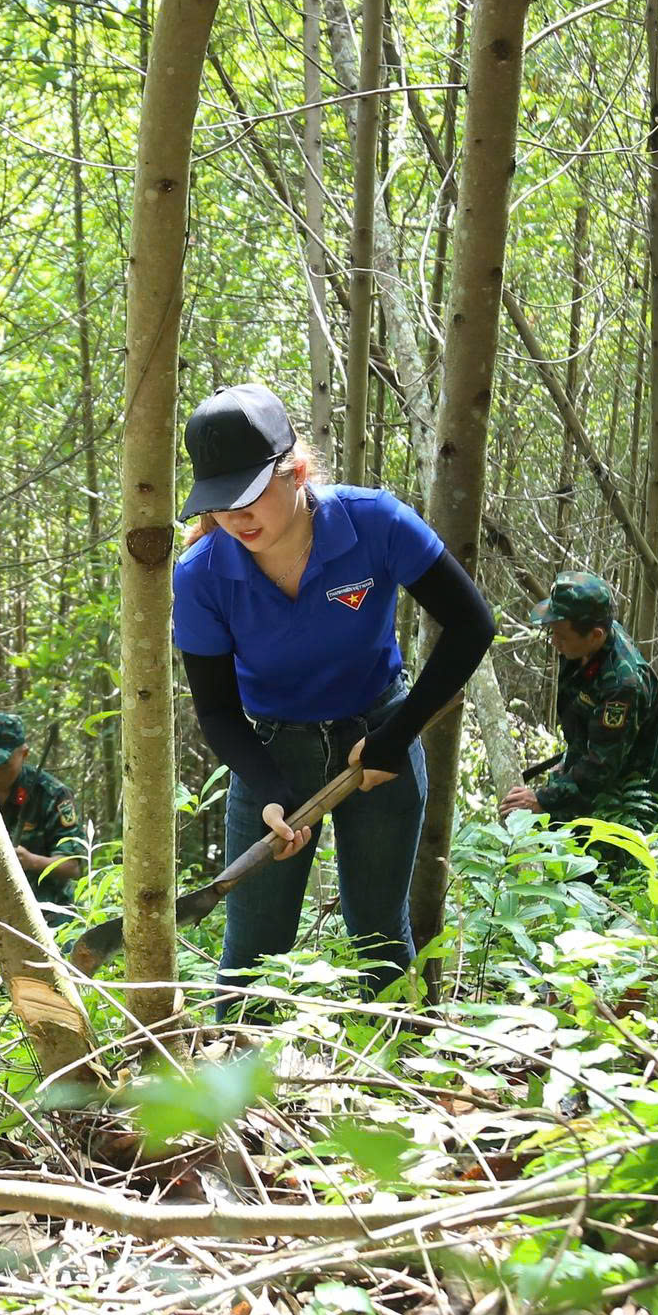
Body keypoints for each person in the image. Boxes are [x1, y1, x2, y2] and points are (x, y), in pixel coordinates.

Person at [172, 384, 497, 993]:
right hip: (270, 750)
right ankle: (236, 1081)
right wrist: (269, 790)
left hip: (378, 731)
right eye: (218, 503)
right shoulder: (202, 575)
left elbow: (471, 624)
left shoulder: (374, 521)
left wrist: (396, 738)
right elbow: (215, 710)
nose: (234, 518)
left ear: (295, 471)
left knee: (378, 935)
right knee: (252, 952)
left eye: (248, 497)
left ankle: (398, 1073)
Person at [498, 572, 658, 837]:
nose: (555, 642)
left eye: (562, 636)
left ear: (596, 635)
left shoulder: (623, 685)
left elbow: (601, 767)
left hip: (631, 806)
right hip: (595, 781)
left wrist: (542, 799)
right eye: (552, 632)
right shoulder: (579, 647)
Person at [0, 710, 88, 921]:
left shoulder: (52, 794)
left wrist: (31, 861)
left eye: (1, 765)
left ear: (23, 754)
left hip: (49, 917)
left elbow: (73, 865)